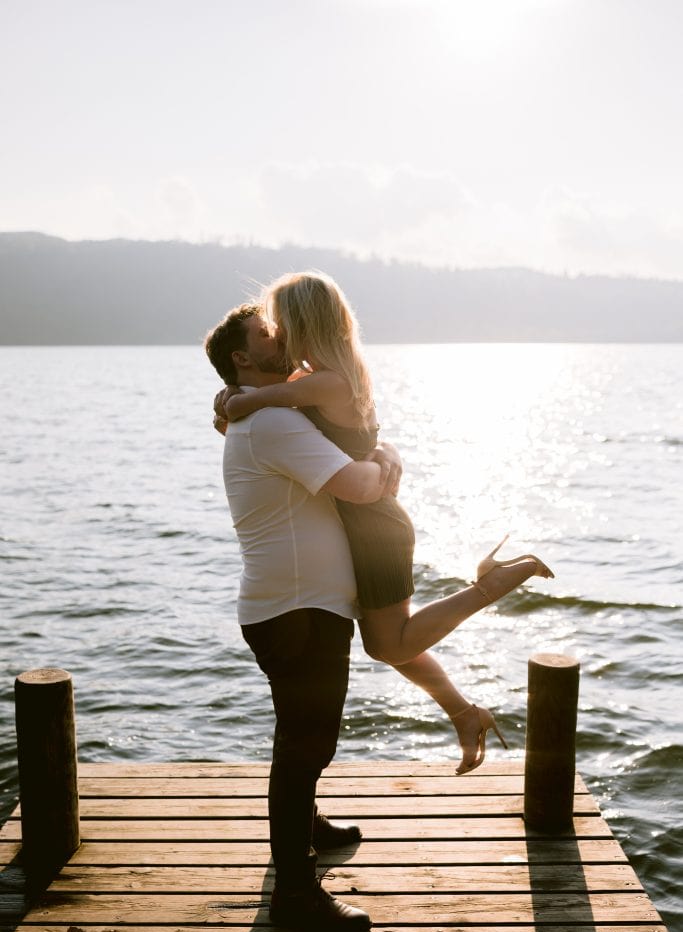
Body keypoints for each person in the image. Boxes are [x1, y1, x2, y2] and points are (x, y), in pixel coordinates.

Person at [216, 271, 554, 776]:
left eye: (278, 323)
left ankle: (490, 586)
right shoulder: (328, 373)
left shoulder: (321, 381)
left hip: (373, 524)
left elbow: (257, 404)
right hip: (363, 522)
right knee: (390, 641)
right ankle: (465, 713)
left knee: (389, 642)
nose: (277, 333)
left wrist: (233, 400)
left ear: (303, 322)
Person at [204, 302, 401, 932]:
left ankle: (305, 824)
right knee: (304, 746)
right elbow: (360, 488)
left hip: (296, 607)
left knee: (303, 740)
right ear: (242, 358)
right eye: (267, 335)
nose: (281, 337)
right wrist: (389, 465)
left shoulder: (269, 415)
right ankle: (295, 893)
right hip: (297, 612)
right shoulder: (275, 427)